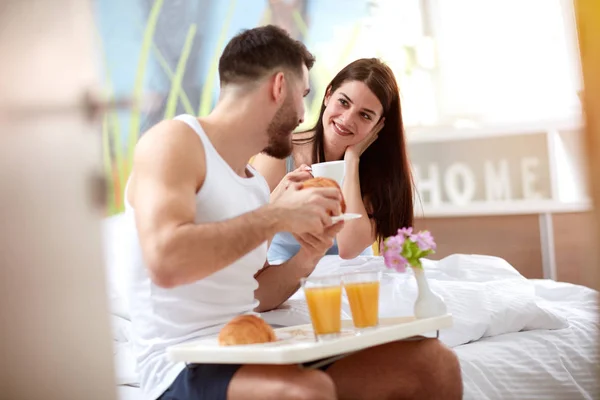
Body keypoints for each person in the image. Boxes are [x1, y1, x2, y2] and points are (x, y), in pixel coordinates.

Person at [124, 25, 462, 400]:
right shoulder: (175, 141)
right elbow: (167, 261)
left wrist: (309, 255)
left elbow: (256, 293)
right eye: (303, 96)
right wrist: (275, 216)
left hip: (256, 346)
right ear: (278, 87)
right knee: (306, 392)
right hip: (183, 364)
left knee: (433, 364)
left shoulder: (251, 181)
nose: (304, 112)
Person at [252, 58, 414, 265]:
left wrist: (352, 161)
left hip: (354, 278)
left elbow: (348, 248)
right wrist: (280, 201)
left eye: (364, 115)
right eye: (344, 102)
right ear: (328, 95)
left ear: (378, 126)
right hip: (286, 279)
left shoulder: (380, 172)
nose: (347, 119)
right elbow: (248, 234)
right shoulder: (279, 153)